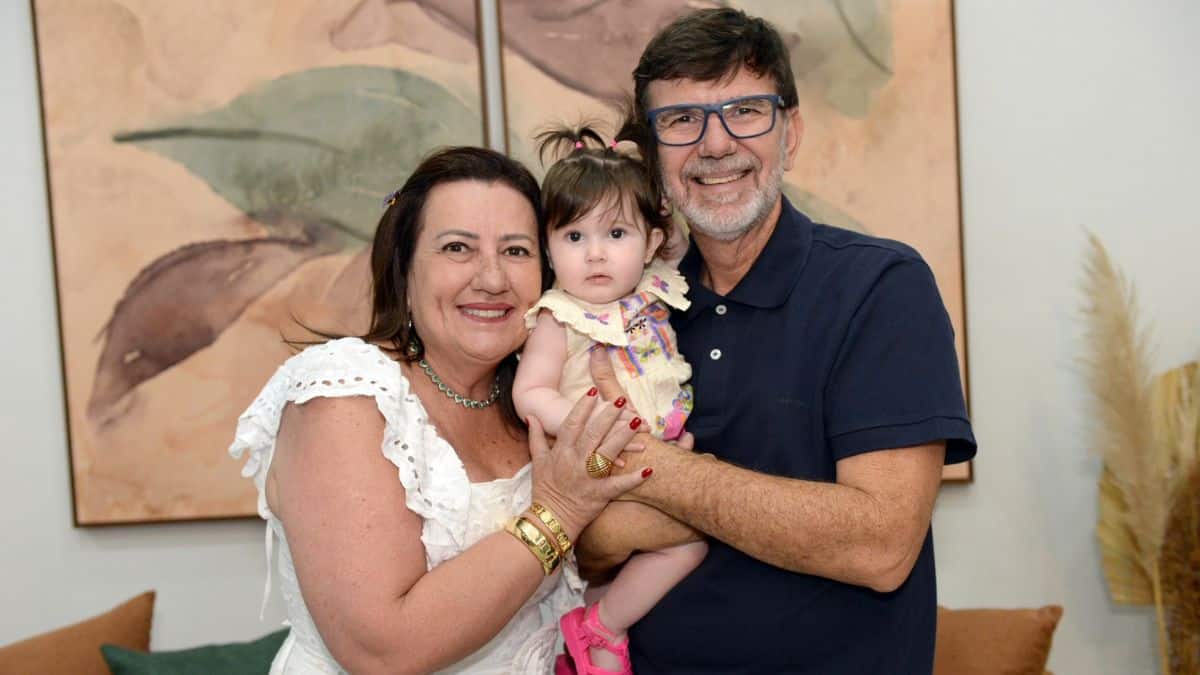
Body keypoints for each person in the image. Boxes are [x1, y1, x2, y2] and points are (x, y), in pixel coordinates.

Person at [577, 8, 978, 674]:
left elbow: (879, 544)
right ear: (651, 155)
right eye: (682, 119)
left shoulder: (880, 288)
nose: (715, 144)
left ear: (791, 134)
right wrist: (781, 512)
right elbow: (589, 540)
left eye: (745, 112)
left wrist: (659, 472)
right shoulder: (637, 311)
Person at [229, 146, 653, 674]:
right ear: (404, 270)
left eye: (516, 251)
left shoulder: (540, 398)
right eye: (458, 248)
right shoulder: (345, 393)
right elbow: (380, 650)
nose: (492, 279)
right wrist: (559, 515)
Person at [512, 125, 707, 675]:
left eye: (616, 234)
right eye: (574, 236)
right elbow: (529, 393)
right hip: (599, 463)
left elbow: (678, 237)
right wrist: (594, 426)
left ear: (651, 243)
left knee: (628, 562)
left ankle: (585, 651)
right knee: (685, 545)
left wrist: (635, 172)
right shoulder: (560, 316)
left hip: (658, 452)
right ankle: (600, 628)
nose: (595, 254)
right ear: (548, 246)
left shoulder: (654, 290)